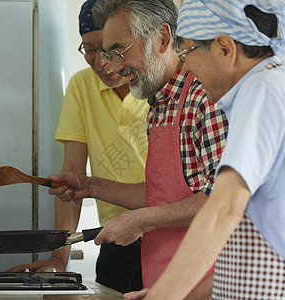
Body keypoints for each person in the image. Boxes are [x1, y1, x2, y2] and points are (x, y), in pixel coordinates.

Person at [127, 1, 285, 299]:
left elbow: (222, 210)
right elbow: (248, 257)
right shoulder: (283, 89)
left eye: (186, 51)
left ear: (225, 49)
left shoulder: (262, 92)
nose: (184, 65)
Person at [49, 0, 228, 298]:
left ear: (162, 38)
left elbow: (220, 200)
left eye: (118, 51)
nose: (113, 65)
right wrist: (92, 186)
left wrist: (140, 220)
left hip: (206, 283)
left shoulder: (204, 98)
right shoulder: (158, 104)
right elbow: (165, 195)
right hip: (164, 277)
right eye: (104, 53)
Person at [7, 0, 149, 293]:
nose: (101, 62)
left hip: (170, 234)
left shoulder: (157, 86)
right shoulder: (81, 86)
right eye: (89, 49)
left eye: (109, 49)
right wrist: (60, 256)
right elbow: (71, 176)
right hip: (114, 239)